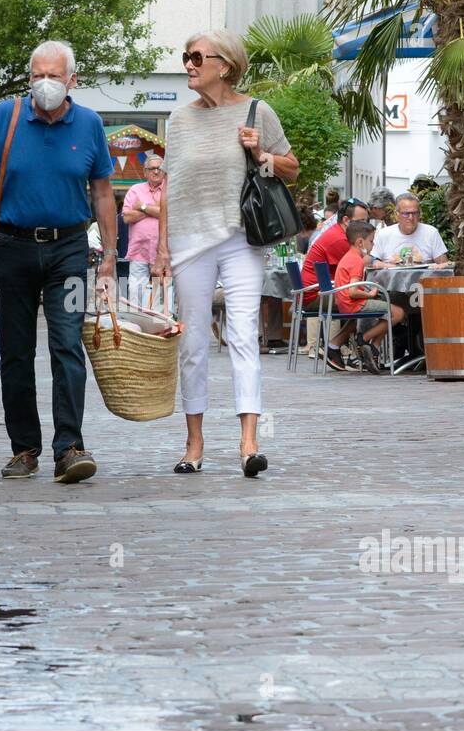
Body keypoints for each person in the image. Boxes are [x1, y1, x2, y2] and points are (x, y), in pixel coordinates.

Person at [0, 39, 117, 484]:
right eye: (37, 75)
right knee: (16, 351)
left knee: (67, 345)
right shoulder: (5, 116)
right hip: (14, 249)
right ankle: (24, 449)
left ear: (72, 80)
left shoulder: (90, 124)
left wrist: (110, 256)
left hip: (70, 250)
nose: (44, 83)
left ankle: (70, 447)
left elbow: (102, 193)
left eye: (54, 75)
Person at [150, 28, 299, 478]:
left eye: (197, 57)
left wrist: (261, 154)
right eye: (186, 56)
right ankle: (193, 443)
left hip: (238, 238)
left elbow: (290, 168)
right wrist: (161, 246)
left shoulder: (257, 111)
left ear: (225, 66)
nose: (189, 65)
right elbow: (171, 186)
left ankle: (249, 442)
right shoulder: (178, 120)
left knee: (241, 335)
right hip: (190, 241)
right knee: (193, 342)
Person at [324, 221, 405, 375]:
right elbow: (353, 292)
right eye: (371, 241)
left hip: (344, 303)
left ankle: (374, 347)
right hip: (353, 304)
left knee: (385, 308)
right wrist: (370, 294)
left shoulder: (348, 257)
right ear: (360, 242)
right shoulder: (356, 261)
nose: (373, 245)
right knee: (398, 313)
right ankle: (363, 339)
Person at [121, 153, 169, 309]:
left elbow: (170, 214)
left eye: (160, 168)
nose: (156, 171)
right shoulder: (135, 190)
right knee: (136, 292)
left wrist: (143, 207)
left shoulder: (169, 190)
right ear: (145, 172)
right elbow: (127, 217)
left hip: (163, 251)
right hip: (139, 250)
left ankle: (160, 328)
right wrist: (157, 210)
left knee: (162, 294)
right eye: (152, 168)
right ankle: (138, 325)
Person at [370, 193, 449, 267]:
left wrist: (441, 266)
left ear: (420, 214)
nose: (410, 218)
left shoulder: (431, 233)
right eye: (406, 214)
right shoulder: (384, 234)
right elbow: (373, 261)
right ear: (396, 215)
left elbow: (443, 263)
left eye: (414, 213)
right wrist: (386, 265)